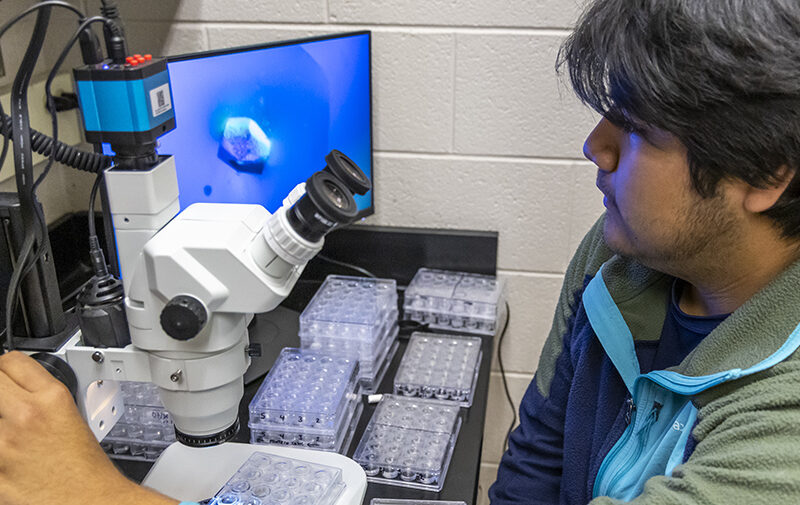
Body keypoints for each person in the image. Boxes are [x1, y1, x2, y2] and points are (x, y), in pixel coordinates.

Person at [489, 0, 800, 504]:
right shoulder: (622, 255)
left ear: (765, 172)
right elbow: (539, 454)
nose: (596, 146)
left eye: (635, 124)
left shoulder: (784, 434)